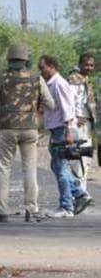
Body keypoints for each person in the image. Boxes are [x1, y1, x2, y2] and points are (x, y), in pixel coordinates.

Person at [0, 44, 55, 223]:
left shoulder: (0, 78)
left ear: (9, 59)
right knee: (29, 169)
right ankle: (31, 208)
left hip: (7, 128)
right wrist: (36, 110)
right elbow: (51, 104)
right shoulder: (36, 78)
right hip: (30, 128)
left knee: (3, 168)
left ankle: (0, 210)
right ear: (26, 60)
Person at [39, 55, 94, 218]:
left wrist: (69, 130)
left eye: (42, 67)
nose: (41, 71)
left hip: (62, 130)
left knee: (61, 168)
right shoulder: (52, 84)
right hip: (57, 129)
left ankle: (66, 206)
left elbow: (68, 108)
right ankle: (80, 193)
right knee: (56, 165)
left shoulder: (59, 84)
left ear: (51, 66)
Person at [68, 53, 96, 192]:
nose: (89, 67)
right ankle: (79, 193)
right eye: (86, 65)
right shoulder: (74, 79)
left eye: (91, 65)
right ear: (80, 64)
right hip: (78, 124)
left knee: (85, 158)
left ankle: (82, 191)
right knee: (78, 159)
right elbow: (70, 101)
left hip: (87, 123)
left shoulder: (85, 79)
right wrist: (76, 116)